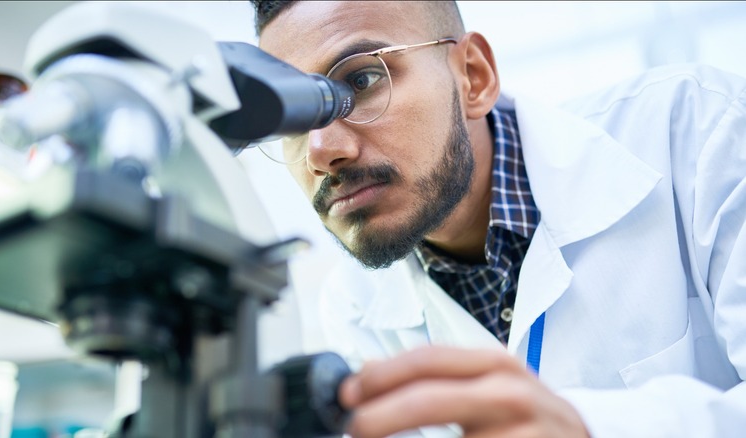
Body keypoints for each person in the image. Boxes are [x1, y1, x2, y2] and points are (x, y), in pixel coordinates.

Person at [249, 1, 746, 437]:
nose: (321, 152)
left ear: (473, 76)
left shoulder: (700, 132)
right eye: (291, 118)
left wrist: (588, 429)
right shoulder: (354, 310)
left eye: (360, 80)